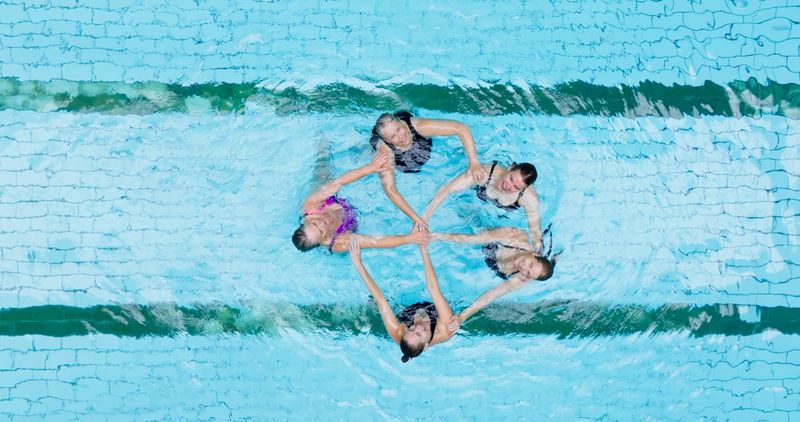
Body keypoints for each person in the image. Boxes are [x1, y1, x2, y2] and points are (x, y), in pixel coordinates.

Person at [369, 111, 487, 231]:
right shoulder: (386, 153)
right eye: (393, 137)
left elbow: (461, 127)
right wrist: (416, 219)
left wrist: (474, 163)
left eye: (399, 129)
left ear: (400, 122)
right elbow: (390, 190)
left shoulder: (418, 126)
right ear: (388, 141)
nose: (401, 137)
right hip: (400, 161)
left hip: (417, 142)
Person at [292, 150, 426, 253]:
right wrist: (409, 239)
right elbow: (374, 241)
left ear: (306, 222)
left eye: (315, 224)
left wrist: (371, 167)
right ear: (322, 240)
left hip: (329, 200)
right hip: (349, 222)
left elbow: (339, 182)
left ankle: (323, 145)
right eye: (321, 231)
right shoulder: (338, 242)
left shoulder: (312, 204)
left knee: (322, 168)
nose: (322, 224)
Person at [432, 226, 560, 333]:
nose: (523, 268)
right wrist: (436, 236)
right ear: (534, 254)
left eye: (528, 273)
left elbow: (490, 296)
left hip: (492, 263)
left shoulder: (521, 278)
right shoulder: (515, 237)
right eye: (530, 264)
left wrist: (461, 317)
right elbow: (469, 239)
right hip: (491, 242)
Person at [349, 238, 457, 362]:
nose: (417, 327)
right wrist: (423, 249)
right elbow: (433, 289)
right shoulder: (443, 331)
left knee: (375, 304)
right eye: (419, 334)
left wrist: (358, 263)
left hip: (408, 311)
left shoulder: (398, 332)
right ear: (426, 345)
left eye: (411, 329)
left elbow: (380, 299)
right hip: (433, 311)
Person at [421, 160, 545, 252]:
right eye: (511, 178)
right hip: (476, 199)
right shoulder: (486, 173)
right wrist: (424, 218)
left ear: (524, 188)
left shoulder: (529, 199)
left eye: (516, 187)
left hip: (498, 219)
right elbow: (447, 189)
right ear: (510, 168)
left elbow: (535, 233)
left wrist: (538, 253)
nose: (508, 186)